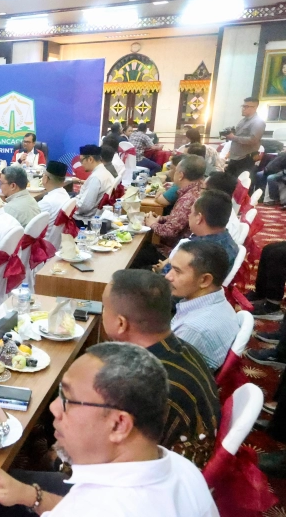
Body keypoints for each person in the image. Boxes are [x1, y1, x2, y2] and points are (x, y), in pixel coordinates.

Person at [0, 342, 218, 517]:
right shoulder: (180, 469)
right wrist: (30, 495)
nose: (54, 409)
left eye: (68, 400)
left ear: (119, 424)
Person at [102, 270, 220, 468]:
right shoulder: (180, 347)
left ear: (121, 323)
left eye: (104, 307)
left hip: (153, 485)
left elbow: (110, 459)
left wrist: (56, 460)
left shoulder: (145, 388)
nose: (102, 312)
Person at [165, 240, 238, 371]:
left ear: (205, 280)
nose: (168, 276)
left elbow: (163, 372)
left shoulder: (193, 329)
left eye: (177, 271)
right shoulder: (217, 300)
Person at [153, 189, 239, 276]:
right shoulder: (229, 242)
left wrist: (162, 269)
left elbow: (167, 279)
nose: (189, 216)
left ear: (199, 218)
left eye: (191, 212)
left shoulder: (196, 253)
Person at [143, 154, 205, 255]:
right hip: (188, 248)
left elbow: (170, 232)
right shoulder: (198, 189)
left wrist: (152, 223)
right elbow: (180, 220)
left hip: (174, 252)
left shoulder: (188, 199)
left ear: (181, 175)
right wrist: (161, 218)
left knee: (140, 251)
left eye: (174, 170)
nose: (171, 173)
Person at [225, 97, 266, 182]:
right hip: (235, 157)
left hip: (245, 158)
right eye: (243, 106)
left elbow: (253, 140)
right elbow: (240, 135)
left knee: (241, 184)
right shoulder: (243, 121)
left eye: (246, 106)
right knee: (229, 183)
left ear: (254, 107)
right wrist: (231, 133)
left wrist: (233, 137)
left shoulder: (258, 122)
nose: (243, 109)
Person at [73, 145, 113, 223]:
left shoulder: (96, 178)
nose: (81, 164)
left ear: (90, 159)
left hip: (85, 220)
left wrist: (69, 206)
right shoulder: (105, 172)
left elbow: (84, 206)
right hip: (96, 216)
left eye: (82, 161)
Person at [38, 161, 71, 249]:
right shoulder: (65, 195)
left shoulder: (47, 203)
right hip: (57, 244)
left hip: (43, 246)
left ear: (46, 178)